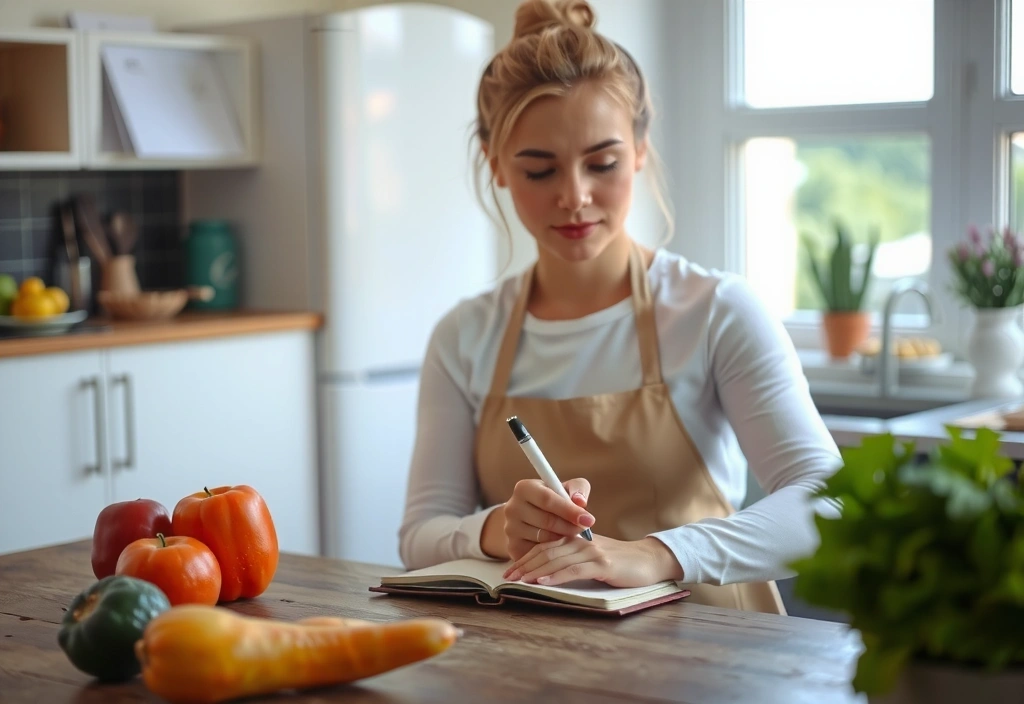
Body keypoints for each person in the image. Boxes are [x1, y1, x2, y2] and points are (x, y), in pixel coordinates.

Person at [398, 0, 841, 614]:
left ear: (639, 149)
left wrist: (659, 553)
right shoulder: (464, 335)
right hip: (530, 656)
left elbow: (828, 502)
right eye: (539, 171)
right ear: (496, 163)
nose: (574, 196)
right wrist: (495, 529)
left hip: (710, 649)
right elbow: (419, 534)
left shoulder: (716, 311)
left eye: (602, 163)